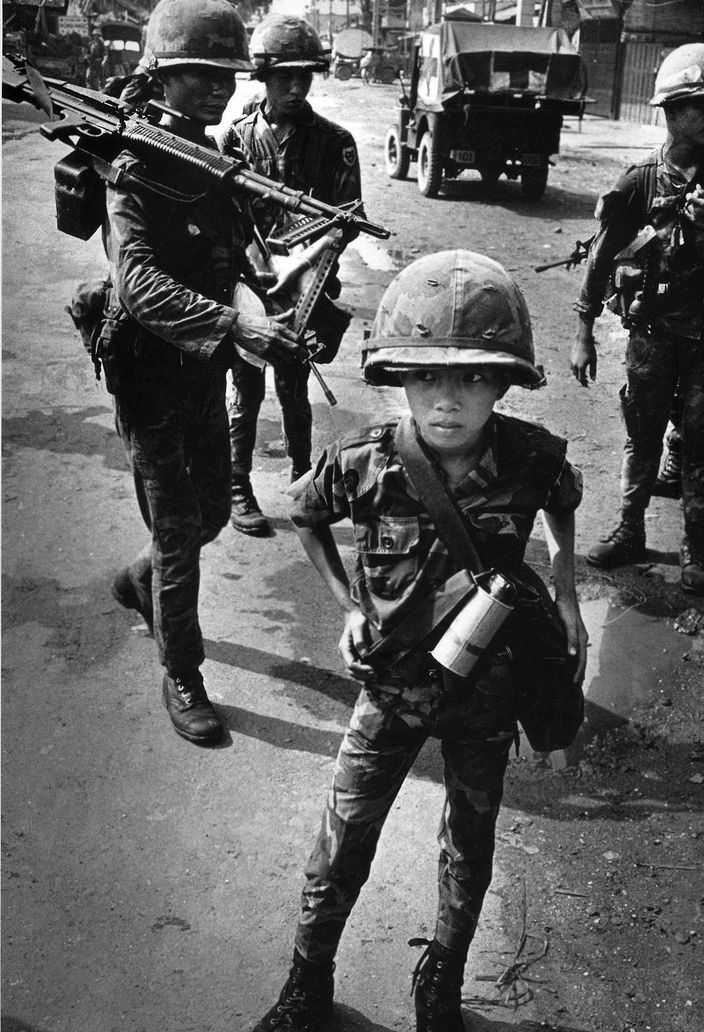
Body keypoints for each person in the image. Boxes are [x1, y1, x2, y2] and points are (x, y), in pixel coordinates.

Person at [251, 250, 588, 1032]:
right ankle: (307, 981)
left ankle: (442, 977)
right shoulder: (365, 459)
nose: (447, 399)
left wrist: (567, 596)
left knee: (470, 844)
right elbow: (305, 517)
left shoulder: (532, 456)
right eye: (427, 378)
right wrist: (345, 607)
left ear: (504, 383)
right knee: (343, 838)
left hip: (487, 689)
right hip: (390, 686)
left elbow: (564, 503)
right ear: (398, 378)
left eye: (473, 378)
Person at [104, 0, 303, 744]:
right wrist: (235, 324)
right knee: (183, 532)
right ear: (162, 75)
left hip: (202, 373)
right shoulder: (132, 166)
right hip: (149, 375)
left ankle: (137, 578)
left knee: (213, 514)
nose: (217, 89)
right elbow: (140, 286)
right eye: (198, 77)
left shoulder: (211, 161)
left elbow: (239, 255)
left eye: (225, 76)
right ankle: (182, 670)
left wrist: (271, 286)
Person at [571, 43, 704, 596]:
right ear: (670, 111)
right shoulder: (639, 181)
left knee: (699, 438)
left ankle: (694, 546)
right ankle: (629, 529)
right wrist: (583, 330)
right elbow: (601, 256)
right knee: (641, 436)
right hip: (650, 334)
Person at [220, 14, 362, 536]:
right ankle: (239, 487)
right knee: (247, 389)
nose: (296, 87)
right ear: (263, 77)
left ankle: (303, 483)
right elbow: (223, 215)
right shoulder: (236, 138)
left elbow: (344, 222)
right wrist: (255, 269)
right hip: (251, 286)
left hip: (307, 286)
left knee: (294, 390)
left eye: (304, 76)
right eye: (285, 77)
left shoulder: (333, 141)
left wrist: (298, 264)